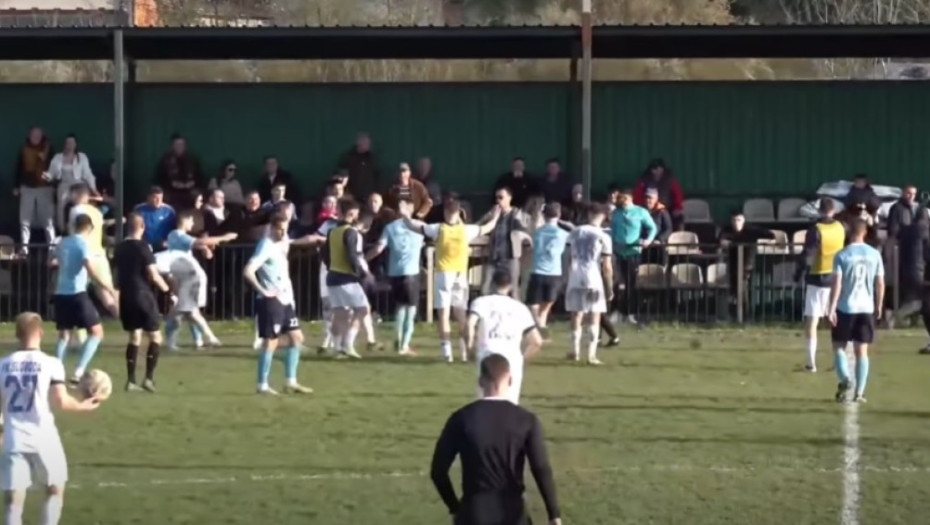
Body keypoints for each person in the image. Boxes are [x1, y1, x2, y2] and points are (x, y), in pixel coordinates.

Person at [430, 353, 561, 525]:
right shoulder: (526, 420)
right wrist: (553, 514)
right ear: (511, 380)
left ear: (480, 381)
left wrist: (454, 507)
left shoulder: (461, 418)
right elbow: (541, 468)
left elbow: (438, 471)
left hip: (473, 513)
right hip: (513, 513)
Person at [0, 312, 101, 525]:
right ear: (40, 332)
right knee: (54, 489)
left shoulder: (2, 365)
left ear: (17, 334)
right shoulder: (51, 363)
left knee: (13, 499)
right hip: (43, 438)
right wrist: (83, 406)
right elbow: (61, 401)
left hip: (13, 438)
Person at [403, 201, 500, 362]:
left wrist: (405, 215)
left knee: (444, 315)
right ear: (459, 213)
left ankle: (447, 353)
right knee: (461, 316)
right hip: (460, 276)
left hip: (444, 275)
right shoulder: (466, 230)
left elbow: (416, 226)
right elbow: (487, 228)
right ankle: (465, 351)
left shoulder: (439, 229)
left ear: (445, 212)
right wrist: (495, 216)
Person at [243, 213, 313, 395]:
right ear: (272, 228)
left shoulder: (284, 241)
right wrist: (263, 290)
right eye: (280, 229)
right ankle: (262, 385)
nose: (283, 233)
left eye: (285, 229)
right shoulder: (265, 245)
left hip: (285, 299)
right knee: (270, 342)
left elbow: (293, 243)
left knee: (297, 337)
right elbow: (248, 270)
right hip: (271, 301)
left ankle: (291, 382)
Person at [50, 214, 117, 383]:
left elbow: (52, 262)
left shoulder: (62, 243)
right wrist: (108, 287)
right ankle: (79, 371)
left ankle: (57, 372)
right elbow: (90, 269)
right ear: (90, 228)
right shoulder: (83, 244)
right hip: (77, 293)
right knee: (96, 332)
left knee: (64, 335)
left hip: (61, 293)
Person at [159, 210, 237, 350]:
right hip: (185, 277)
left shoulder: (176, 237)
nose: (193, 224)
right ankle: (208, 338)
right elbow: (200, 241)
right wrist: (224, 238)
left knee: (186, 311)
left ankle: (194, 340)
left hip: (182, 276)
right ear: (185, 221)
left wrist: (204, 248)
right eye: (191, 221)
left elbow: (195, 244)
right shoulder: (177, 234)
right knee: (187, 311)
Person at [113, 214, 174, 392]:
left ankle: (131, 380)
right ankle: (148, 378)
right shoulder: (143, 247)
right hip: (142, 295)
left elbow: (115, 276)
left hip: (126, 295)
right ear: (142, 227)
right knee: (155, 336)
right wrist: (168, 291)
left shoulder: (119, 248)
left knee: (134, 336)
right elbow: (153, 275)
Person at [827, 219, 885, 404]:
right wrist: (879, 304)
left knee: (839, 347)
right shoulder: (874, 254)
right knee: (862, 351)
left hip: (846, 307)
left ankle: (845, 378)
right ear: (865, 232)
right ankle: (859, 393)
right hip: (866, 308)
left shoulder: (842, 255)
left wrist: (831, 307)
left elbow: (837, 283)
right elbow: (880, 282)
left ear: (848, 233)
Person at [466, 269, 543, 405]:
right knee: (510, 403)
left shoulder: (481, 302)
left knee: (484, 401)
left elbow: (470, 324)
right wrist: (521, 358)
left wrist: (470, 347)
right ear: (511, 286)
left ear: (492, 283)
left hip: (487, 353)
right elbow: (537, 341)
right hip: (511, 356)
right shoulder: (520, 308)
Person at [366, 198, 425, 355]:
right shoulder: (420, 226)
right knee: (410, 310)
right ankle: (404, 346)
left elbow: (378, 248)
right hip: (411, 273)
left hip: (395, 273)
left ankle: (398, 340)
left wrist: (363, 260)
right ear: (411, 208)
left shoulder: (390, 227)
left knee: (400, 308)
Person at [793, 199, 846, 372]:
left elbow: (808, 256)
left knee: (812, 321)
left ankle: (811, 364)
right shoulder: (841, 227)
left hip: (818, 278)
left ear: (819, 210)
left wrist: (798, 274)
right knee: (836, 320)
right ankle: (839, 361)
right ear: (833, 210)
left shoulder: (816, 230)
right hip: (837, 278)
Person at [321, 199, 375, 359]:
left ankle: (337, 349)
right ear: (351, 213)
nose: (358, 215)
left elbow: (324, 253)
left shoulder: (332, 232)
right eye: (356, 213)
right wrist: (362, 274)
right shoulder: (352, 232)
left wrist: (331, 266)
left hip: (332, 277)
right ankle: (348, 344)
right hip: (346, 278)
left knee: (340, 314)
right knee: (363, 309)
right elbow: (352, 255)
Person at [566, 203, 614, 365]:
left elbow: (568, 258)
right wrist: (609, 287)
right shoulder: (604, 236)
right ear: (603, 216)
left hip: (575, 276)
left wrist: (568, 277)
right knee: (595, 314)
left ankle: (575, 351)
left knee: (576, 313)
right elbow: (607, 267)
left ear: (588, 215)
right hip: (593, 277)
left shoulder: (574, 233)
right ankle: (591, 355)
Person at [526, 203, 570, 338]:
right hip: (554, 273)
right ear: (559, 215)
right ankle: (541, 329)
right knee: (546, 306)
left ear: (544, 215)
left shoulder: (537, 232)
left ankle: (539, 328)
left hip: (537, 271)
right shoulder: (563, 234)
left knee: (534, 304)